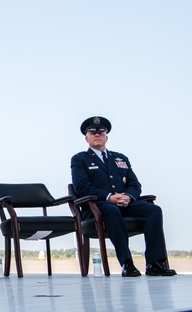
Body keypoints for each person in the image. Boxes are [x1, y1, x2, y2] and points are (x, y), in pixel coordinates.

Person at [70, 116, 176, 277]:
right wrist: (108, 197)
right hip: (97, 205)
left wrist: (128, 196)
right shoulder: (80, 159)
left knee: (154, 210)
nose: (97, 135)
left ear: (107, 137)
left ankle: (155, 263)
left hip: (124, 203)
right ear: (87, 138)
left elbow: (135, 185)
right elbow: (81, 186)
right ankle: (127, 263)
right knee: (112, 210)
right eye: (93, 133)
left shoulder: (120, 158)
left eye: (101, 132)